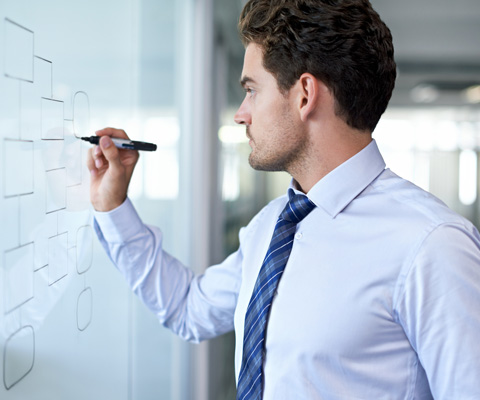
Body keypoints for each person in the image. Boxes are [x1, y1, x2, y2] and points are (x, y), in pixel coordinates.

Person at [87, 0, 480, 399]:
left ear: (304, 94)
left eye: (252, 90)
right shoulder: (271, 226)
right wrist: (113, 205)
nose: (241, 114)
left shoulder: (432, 244)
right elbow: (189, 309)